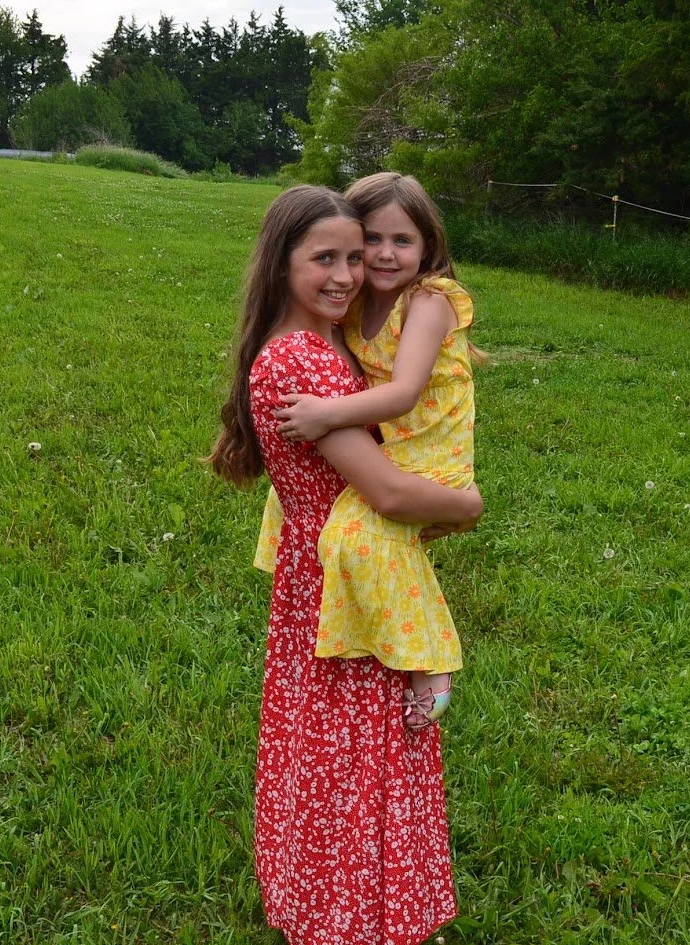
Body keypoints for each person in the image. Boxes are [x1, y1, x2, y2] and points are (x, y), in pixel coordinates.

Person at [210, 184, 476, 945]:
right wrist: (467, 506)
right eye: (324, 258)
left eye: (353, 257)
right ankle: (349, 918)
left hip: (322, 566)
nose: (347, 274)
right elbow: (387, 491)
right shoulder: (304, 358)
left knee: (328, 748)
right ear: (280, 263)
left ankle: (329, 902)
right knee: (355, 754)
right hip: (346, 578)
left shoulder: (330, 343)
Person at [258, 172, 481, 730]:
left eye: (401, 240)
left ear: (428, 246)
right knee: (324, 516)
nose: (381, 255)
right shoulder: (352, 310)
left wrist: (326, 414)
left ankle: (430, 658)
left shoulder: (427, 302)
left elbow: (403, 393)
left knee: (361, 533)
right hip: (395, 448)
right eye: (369, 243)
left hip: (431, 449)